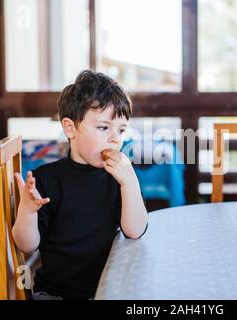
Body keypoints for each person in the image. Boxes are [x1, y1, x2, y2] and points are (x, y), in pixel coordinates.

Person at [12, 70, 148, 300]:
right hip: (55, 294)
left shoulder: (119, 177)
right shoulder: (46, 179)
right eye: (104, 127)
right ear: (70, 128)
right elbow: (27, 245)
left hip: (109, 290)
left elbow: (135, 231)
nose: (116, 138)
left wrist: (130, 184)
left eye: (121, 130)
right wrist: (27, 210)